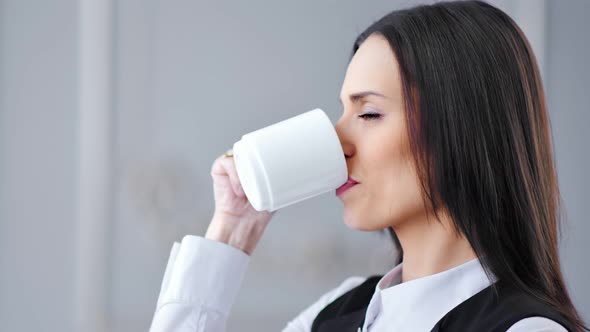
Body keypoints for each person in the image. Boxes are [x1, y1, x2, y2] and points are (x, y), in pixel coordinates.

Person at [148, 1, 588, 331]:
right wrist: (231, 231)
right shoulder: (336, 313)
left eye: (369, 114)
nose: (336, 143)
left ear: (461, 126)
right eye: (343, 111)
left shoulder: (524, 329)